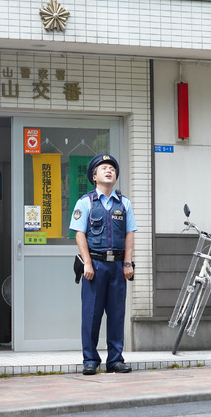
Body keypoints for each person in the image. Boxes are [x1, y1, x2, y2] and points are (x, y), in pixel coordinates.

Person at [69, 153, 137, 375]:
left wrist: (128, 263)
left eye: (112, 169)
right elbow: (80, 234)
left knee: (117, 314)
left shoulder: (124, 203)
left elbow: (129, 235)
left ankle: (115, 360)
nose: (109, 171)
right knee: (91, 314)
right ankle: (90, 359)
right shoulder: (86, 202)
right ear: (94, 176)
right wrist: (87, 263)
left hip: (117, 267)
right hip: (95, 267)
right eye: (104, 168)